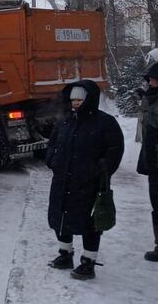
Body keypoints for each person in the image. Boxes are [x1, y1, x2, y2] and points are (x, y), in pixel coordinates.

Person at [46, 80, 124, 280]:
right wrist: (52, 160)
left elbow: (115, 149)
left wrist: (101, 169)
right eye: (73, 99)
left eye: (80, 99)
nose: (76, 103)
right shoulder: (65, 121)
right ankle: (65, 254)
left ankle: (88, 262)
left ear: (89, 99)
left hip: (89, 183)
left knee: (90, 223)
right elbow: (52, 143)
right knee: (60, 218)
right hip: (62, 180)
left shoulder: (105, 122)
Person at [137, 61, 158, 263]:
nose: (150, 82)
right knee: (157, 203)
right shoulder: (152, 97)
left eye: (153, 79)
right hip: (153, 159)